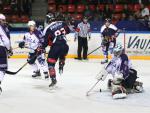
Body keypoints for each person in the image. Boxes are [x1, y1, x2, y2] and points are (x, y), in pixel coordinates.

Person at [42, 13, 70, 87]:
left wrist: (41, 48)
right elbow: (68, 30)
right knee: (62, 54)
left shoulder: (47, 28)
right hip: (65, 46)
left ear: (47, 20)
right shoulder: (62, 22)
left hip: (56, 47)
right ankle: (61, 64)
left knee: (50, 63)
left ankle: (53, 79)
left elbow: (45, 42)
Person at [0, 14, 13, 94]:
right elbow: (6, 41)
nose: (4, 22)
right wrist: (9, 49)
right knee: (2, 68)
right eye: (3, 20)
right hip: (1, 49)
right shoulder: (2, 28)